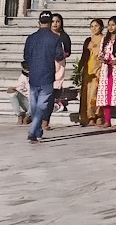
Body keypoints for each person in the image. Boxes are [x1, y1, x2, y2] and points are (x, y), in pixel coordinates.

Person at [23, 12, 66, 143]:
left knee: (35, 104)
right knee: (42, 105)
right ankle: (32, 131)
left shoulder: (31, 38)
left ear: (39, 22)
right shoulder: (55, 38)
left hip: (34, 75)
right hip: (47, 75)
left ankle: (37, 130)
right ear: (50, 22)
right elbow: (59, 56)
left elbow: (26, 57)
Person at [47, 13, 73, 127]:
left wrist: (62, 55)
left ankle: (58, 100)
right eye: (53, 21)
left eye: (57, 21)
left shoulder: (63, 36)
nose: (55, 24)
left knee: (58, 81)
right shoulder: (46, 35)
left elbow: (68, 50)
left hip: (60, 62)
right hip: (48, 61)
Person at [78, 18, 104, 127]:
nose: (94, 28)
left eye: (96, 26)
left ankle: (99, 115)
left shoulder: (104, 40)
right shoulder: (88, 40)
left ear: (101, 27)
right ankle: (90, 117)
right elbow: (84, 56)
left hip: (100, 70)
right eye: (92, 26)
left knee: (98, 93)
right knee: (88, 94)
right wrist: (80, 69)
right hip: (89, 71)